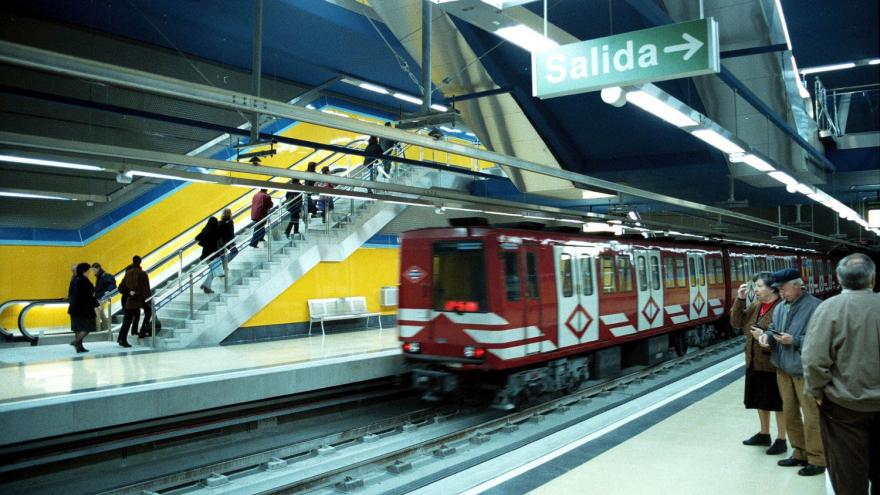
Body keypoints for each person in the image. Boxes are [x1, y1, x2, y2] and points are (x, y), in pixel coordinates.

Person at [802, 253, 879, 494]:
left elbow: (814, 360)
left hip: (843, 408)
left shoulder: (828, 309)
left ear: (838, 278)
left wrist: (816, 391)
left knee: (848, 473)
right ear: (873, 279)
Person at [756, 268, 825, 476]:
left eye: (783, 288)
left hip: (804, 371)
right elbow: (774, 328)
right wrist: (766, 337)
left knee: (812, 416)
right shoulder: (781, 308)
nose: (781, 293)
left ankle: (817, 458)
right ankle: (799, 452)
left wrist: (794, 341)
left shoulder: (816, 307)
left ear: (797, 285)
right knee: (790, 413)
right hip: (783, 368)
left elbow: (820, 341)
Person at [730, 272, 787, 455]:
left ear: (772, 288)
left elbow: (784, 335)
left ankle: (781, 438)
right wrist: (740, 299)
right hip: (755, 362)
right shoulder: (757, 305)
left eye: (760, 286)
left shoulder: (782, 307)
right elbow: (737, 322)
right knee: (760, 400)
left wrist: (764, 335)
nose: (756, 290)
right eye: (755, 286)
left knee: (778, 403)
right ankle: (764, 433)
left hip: (774, 364)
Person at [119, 255, 151, 347]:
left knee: (127, 321)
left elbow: (121, 288)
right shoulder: (143, 274)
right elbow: (146, 289)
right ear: (140, 262)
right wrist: (148, 301)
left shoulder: (127, 273)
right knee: (149, 312)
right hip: (140, 300)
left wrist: (129, 292)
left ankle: (122, 339)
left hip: (130, 300)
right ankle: (142, 331)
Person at [67, 262, 98, 353]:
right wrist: (96, 305)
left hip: (74, 308)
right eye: (88, 271)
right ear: (84, 271)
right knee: (88, 327)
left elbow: (71, 293)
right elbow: (88, 295)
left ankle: (79, 347)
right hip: (84, 309)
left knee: (78, 328)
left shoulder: (74, 280)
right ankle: (76, 342)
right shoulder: (83, 281)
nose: (89, 272)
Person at [195, 216, 222, 294]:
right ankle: (206, 286)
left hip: (205, 254)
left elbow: (197, 238)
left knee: (212, 270)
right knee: (214, 270)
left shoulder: (206, 229)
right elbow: (221, 239)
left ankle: (206, 286)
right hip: (213, 254)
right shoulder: (217, 230)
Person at [91, 262, 116, 332]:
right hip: (99, 298)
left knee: (97, 312)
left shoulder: (105, 276)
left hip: (103, 297)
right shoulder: (99, 277)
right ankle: (106, 328)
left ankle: (98, 330)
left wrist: (108, 291)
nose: (93, 271)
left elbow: (111, 284)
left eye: (94, 269)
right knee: (101, 312)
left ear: (98, 268)